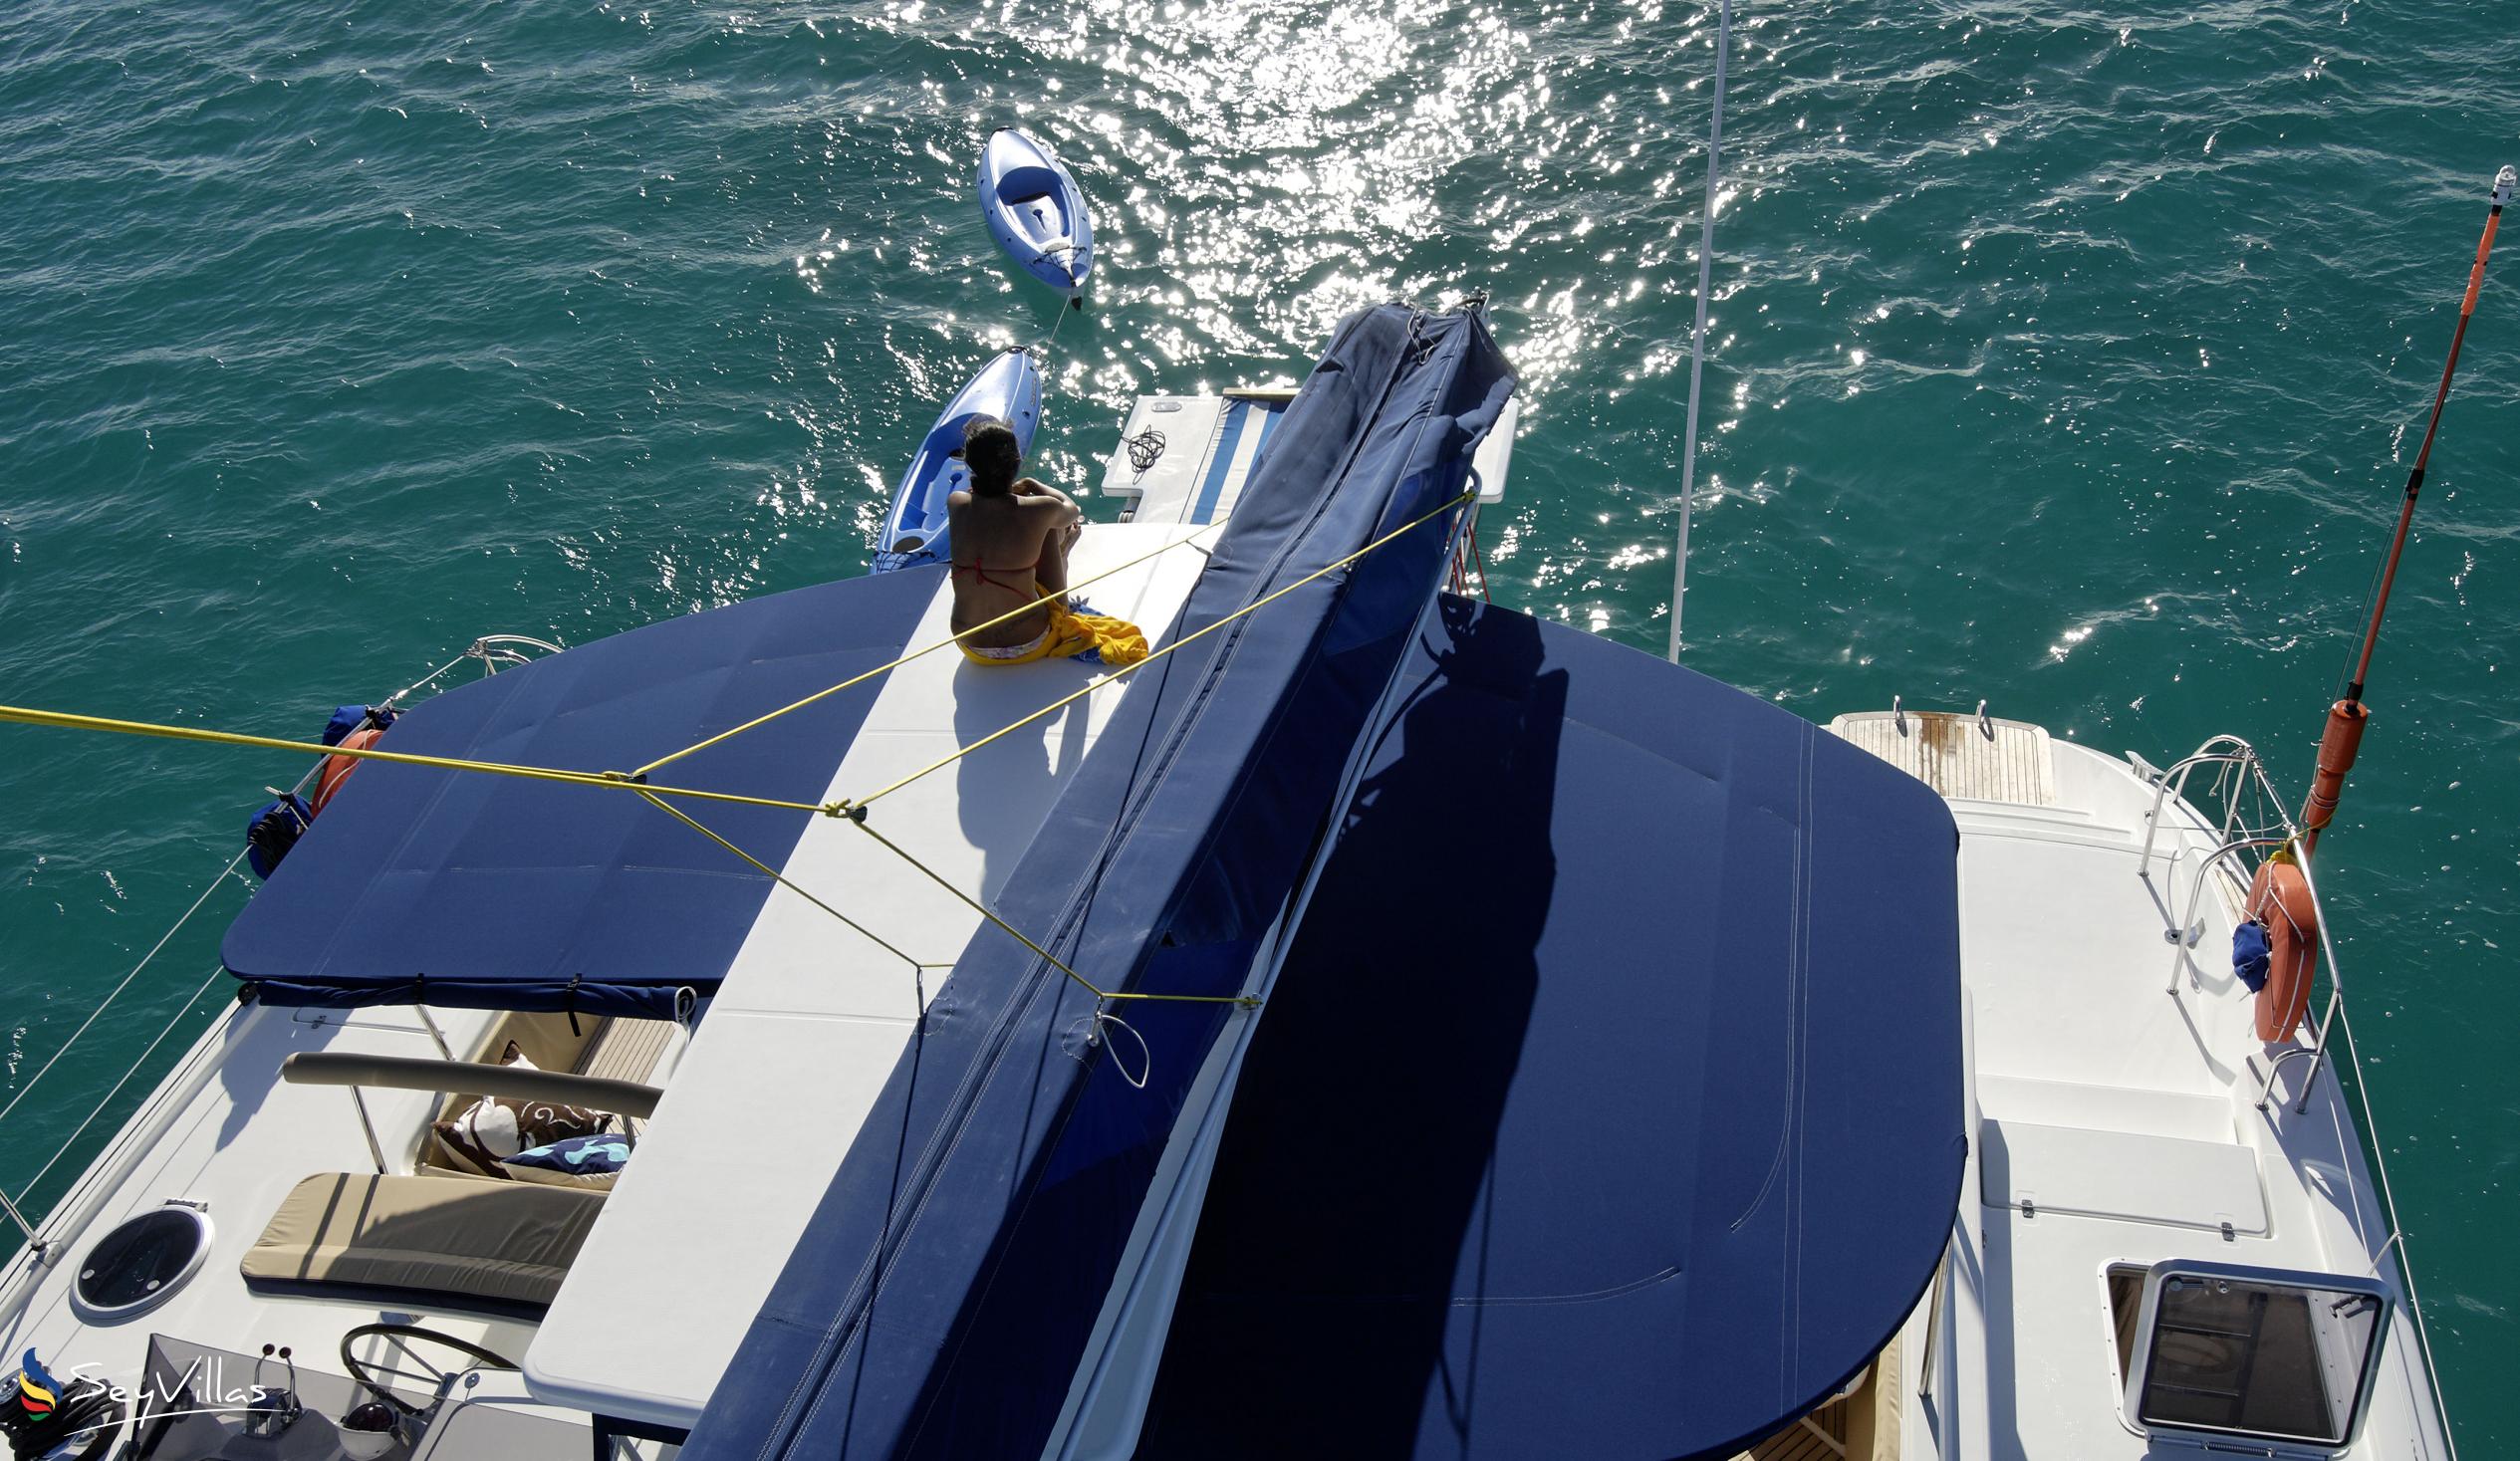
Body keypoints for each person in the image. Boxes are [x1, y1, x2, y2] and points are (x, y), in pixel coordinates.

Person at [946, 418, 1148, 667]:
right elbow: (1071, 510)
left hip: (971, 647)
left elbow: (987, 509)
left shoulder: (956, 503)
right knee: (1051, 530)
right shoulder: (1039, 509)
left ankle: (1058, 554)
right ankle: (1062, 557)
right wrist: (1032, 485)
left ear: (969, 464)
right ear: (1016, 462)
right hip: (1030, 643)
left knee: (1013, 551)